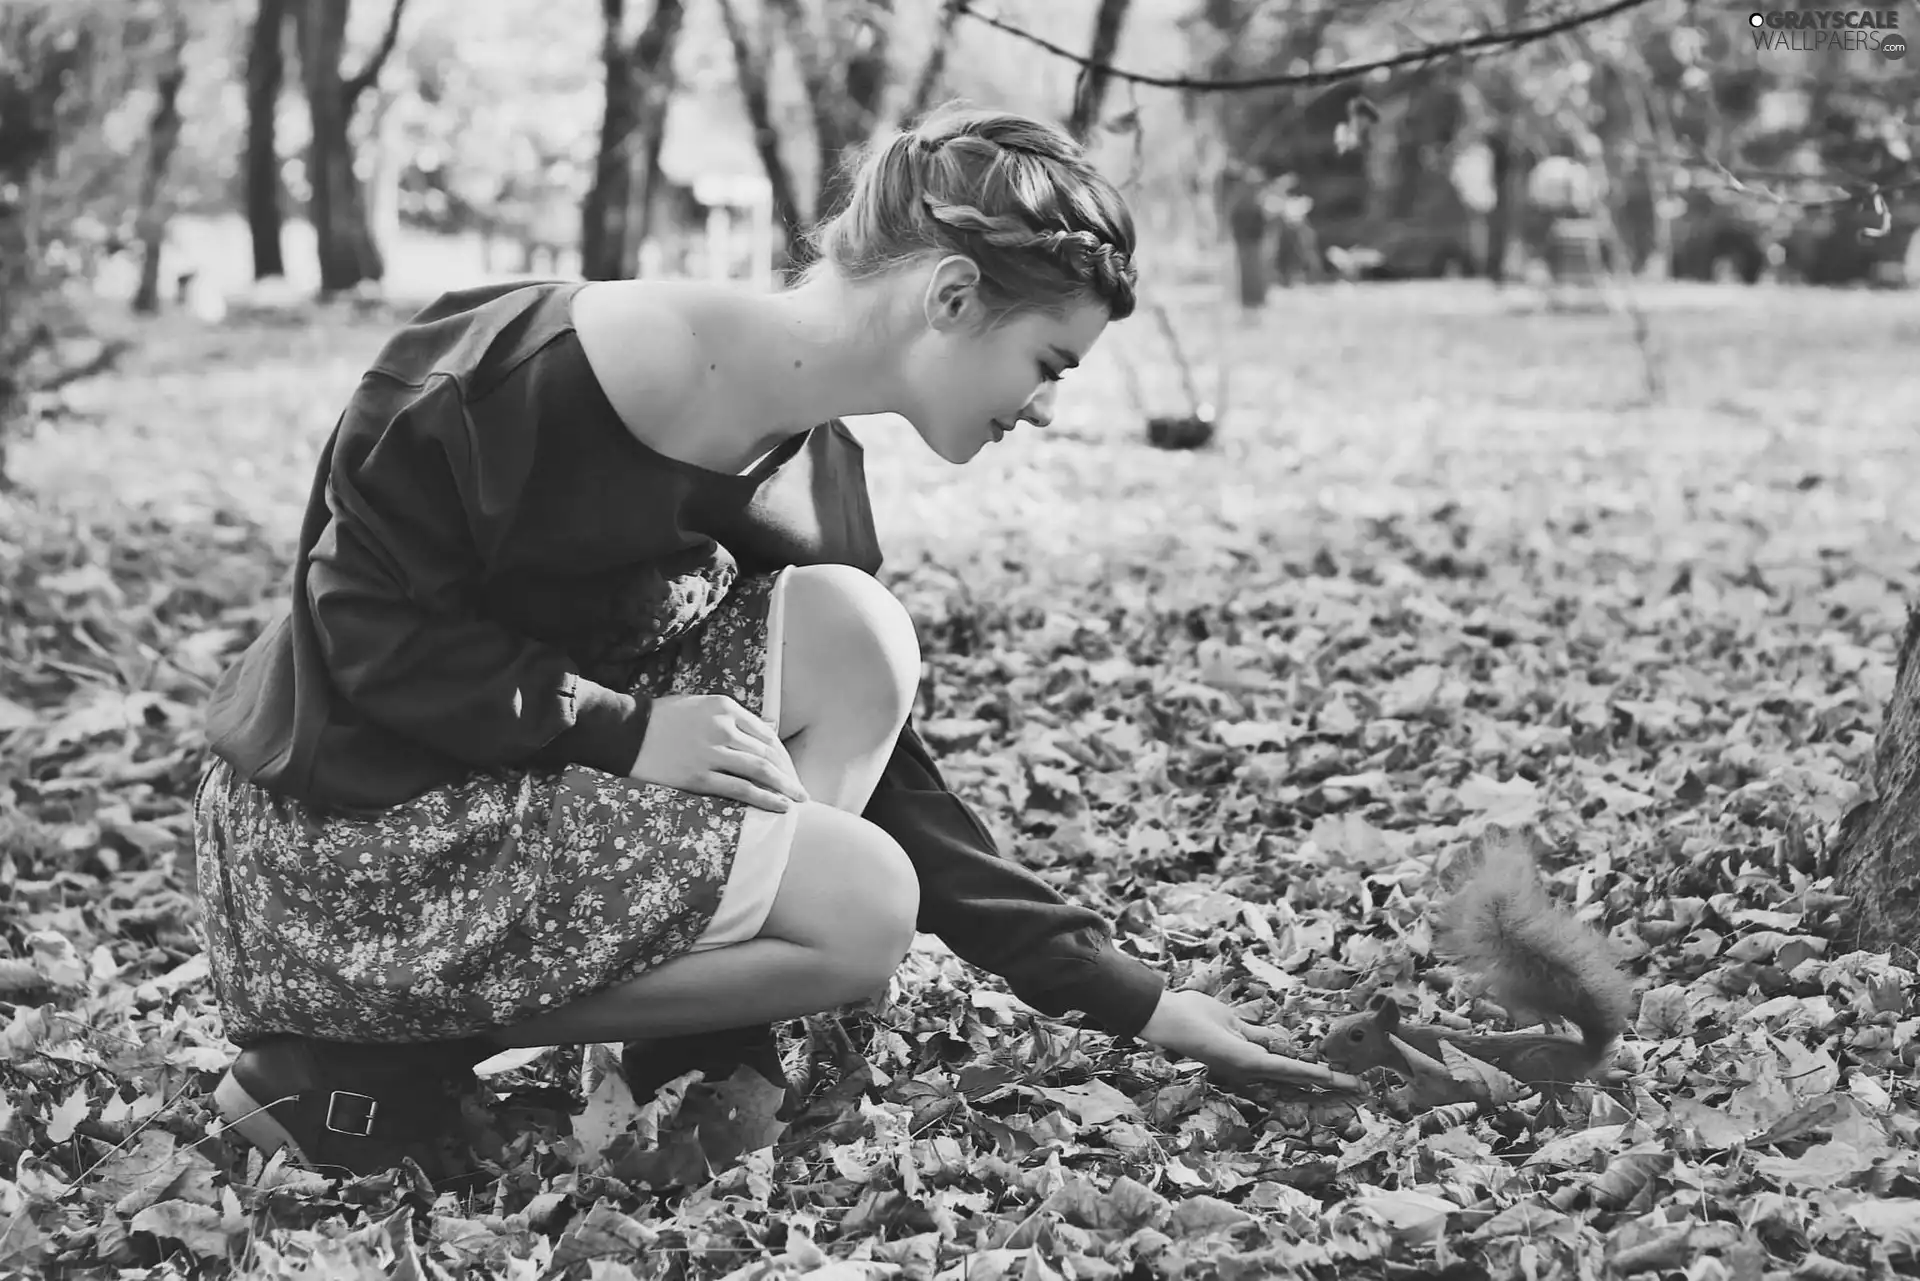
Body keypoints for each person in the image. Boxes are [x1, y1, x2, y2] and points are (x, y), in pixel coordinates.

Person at [195, 102, 1357, 1181]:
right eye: (1049, 364)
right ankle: (377, 1047)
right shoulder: (548, 368)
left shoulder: (817, 474)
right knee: (861, 914)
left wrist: (1135, 1000)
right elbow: (362, 632)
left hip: (502, 802)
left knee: (859, 638)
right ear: (952, 296)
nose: (1047, 407)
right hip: (344, 845)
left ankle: (674, 1039)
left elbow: (897, 778)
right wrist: (628, 730)